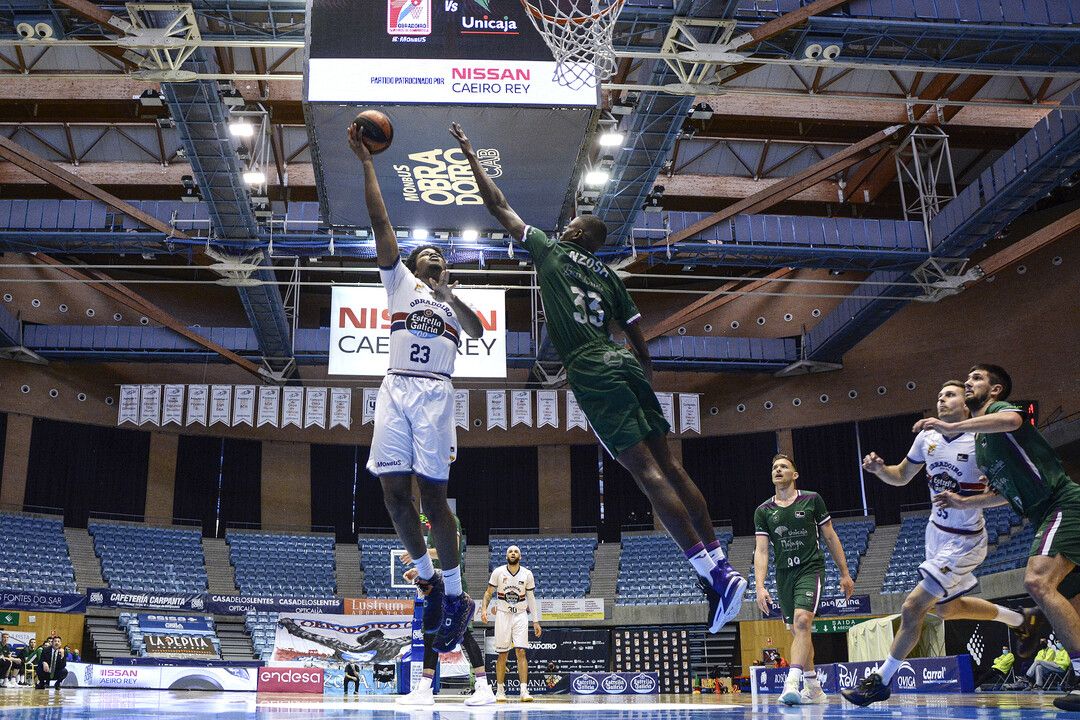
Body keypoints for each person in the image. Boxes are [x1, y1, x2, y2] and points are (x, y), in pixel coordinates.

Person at [451, 121, 746, 633]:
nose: (565, 224)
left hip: (591, 366)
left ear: (575, 235)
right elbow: (637, 334)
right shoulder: (611, 275)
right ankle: (721, 563)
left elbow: (498, 206)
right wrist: (645, 377)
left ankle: (710, 572)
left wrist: (471, 155)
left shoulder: (550, 248)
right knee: (671, 466)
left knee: (645, 474)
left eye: (572, 223)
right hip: (627, 366)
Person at [347, 123, 482, 654]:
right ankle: (427, 581)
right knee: (392, 492)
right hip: (397, 386)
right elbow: (381, 222)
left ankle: (455, 594)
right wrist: (367, 164)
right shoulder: (399, 282)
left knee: (433, 495)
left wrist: (452, 293)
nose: (436, 258)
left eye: (441, 258)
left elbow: (476, 332)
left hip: (436, 393)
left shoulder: (452, 302)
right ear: (413, 263)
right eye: (428, 255)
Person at [843, 380, 1033, 706]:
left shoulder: (982, 441)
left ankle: (881, 681)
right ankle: (1020, 618)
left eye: (949, 394)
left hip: (965, 541)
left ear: (965, 404)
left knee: (912, 607)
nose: (942, 400)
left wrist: (964, 503)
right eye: (939, 395)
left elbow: (1007, 494)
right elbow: (901, 476)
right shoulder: (926, 438)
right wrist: (878, 471)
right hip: (935, 535)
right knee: (947, 609)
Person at [904, 364, 1080, 711]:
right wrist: (964, 501)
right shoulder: (983, 446)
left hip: (1062, 503)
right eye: (967, 379)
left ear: (995, 389)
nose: (969, 382)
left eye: (976, 378)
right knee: (1070, 600)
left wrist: (950, 425)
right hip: (1040, 515)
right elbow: (999, 492)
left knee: (1037, 581)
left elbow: (1014, 421)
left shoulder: (1000, 412)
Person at [754, 454, 854, 705]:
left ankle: (791, 683)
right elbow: (762, 551)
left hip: (810, 569)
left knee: (802, 621)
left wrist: (844, 574)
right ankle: (814, 688)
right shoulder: (763, 511)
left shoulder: (812, 500)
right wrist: (759, 585)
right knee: (799, 632)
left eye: (784, 466)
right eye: (775, 467)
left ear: (794, 475)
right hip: (783, 575)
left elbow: (830, 537)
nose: (778, 470)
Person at [398, 513, 496, 707]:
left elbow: (452, 551)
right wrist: (418, 570)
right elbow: (437, 559)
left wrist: (421, 554)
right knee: (430, 635)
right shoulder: (434, 525)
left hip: (452, 585)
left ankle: (484, 687)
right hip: (436, 584)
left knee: (465, 635)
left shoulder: (449, 520)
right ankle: (424, 690)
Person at [482, 545, 542, 702]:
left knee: (521, 652)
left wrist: (535, 621)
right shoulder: (498, 572)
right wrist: (483, 610)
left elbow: (531, 598)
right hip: (503, 615)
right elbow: (488, 593)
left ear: (520, 556)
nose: (513, 553)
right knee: (502, 654)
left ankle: (524, 691)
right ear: (506, 556)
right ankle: (500, 690)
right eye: (510, 551)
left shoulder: (527, 574)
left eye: (516, 552)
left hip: (521, 615)